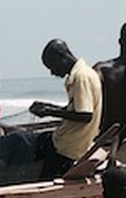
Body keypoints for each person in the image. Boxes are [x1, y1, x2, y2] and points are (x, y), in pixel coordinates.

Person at [29, 39, 103, 178]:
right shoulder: (85, 73)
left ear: (62, 57)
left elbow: (85, 115)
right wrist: (49, 107)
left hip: (69, 148)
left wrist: (49, 112)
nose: (53, 72)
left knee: (45, 183)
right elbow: (76, 109)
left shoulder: (81, 77)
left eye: (52, 66)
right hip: (68, 143)